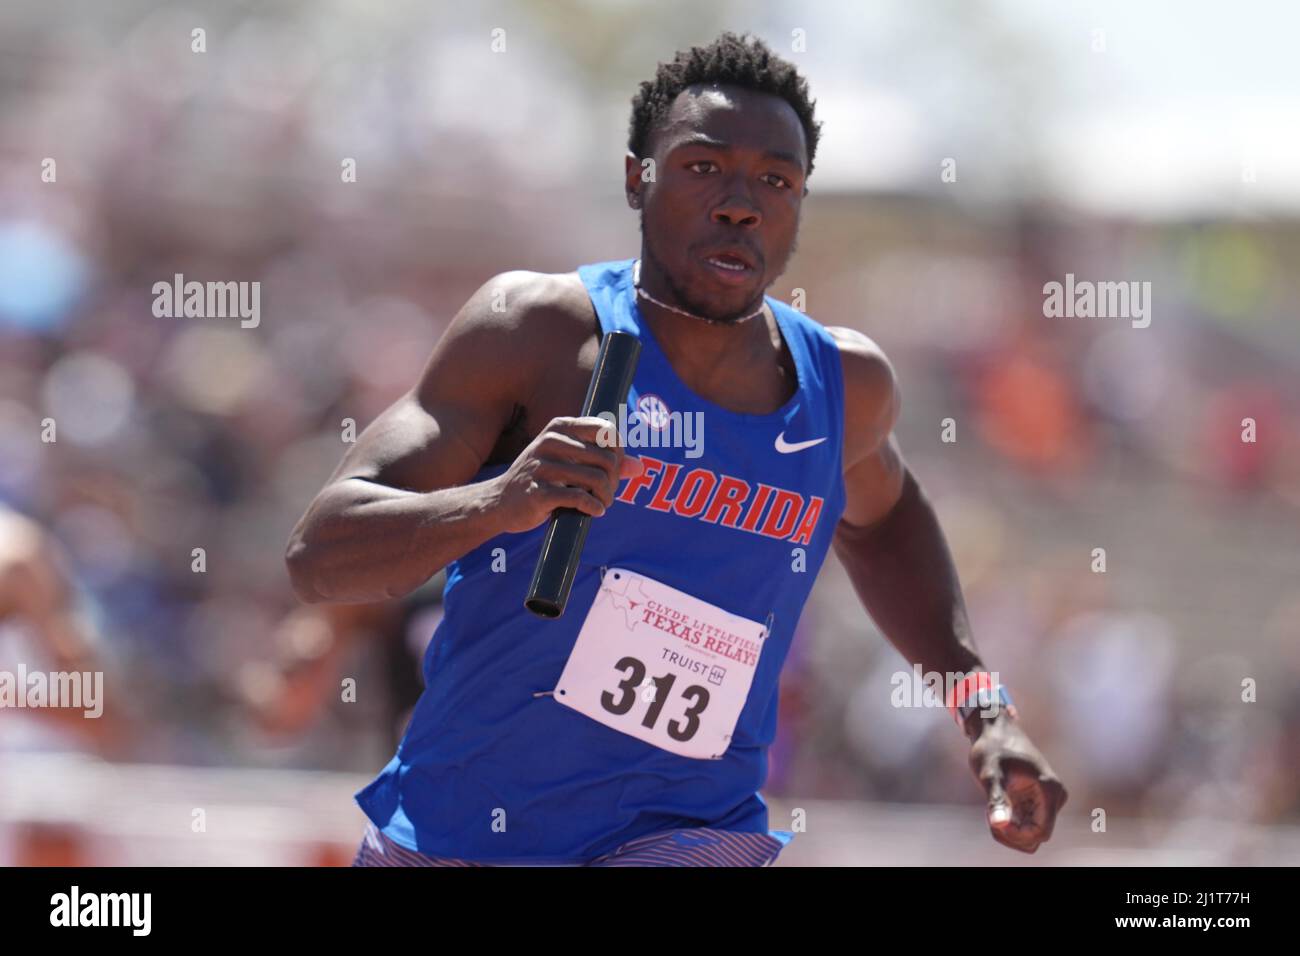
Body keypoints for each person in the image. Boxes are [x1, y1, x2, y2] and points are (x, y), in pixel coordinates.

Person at [286, 32, 1066, 867]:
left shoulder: (844, 386)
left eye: (776, 179)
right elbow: (320, 554)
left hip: (685, 830)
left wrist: (983, 706)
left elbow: (885, 524)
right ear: (637, 178)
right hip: (461, 829)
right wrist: (499, 501)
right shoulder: (538, 332)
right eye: (703, 168)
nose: (741, 203)